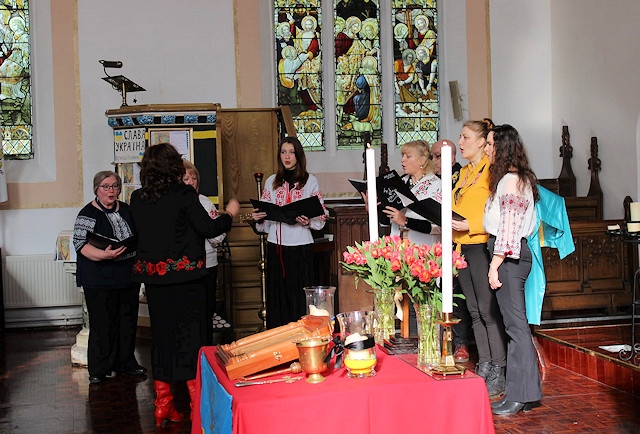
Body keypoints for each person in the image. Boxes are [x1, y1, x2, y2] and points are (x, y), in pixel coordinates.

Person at [130, 143, 239, 426]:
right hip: (187, 280)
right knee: (192, 342)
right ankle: (196, 406)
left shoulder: (137, 198)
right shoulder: (184, 195)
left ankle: (163, 404)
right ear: (172, 167)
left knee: (162, 341)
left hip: (155, 282)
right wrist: (229, 213)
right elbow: (210, 229)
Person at [483, 124, 542, 414]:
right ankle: (525, 393)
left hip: (508, 257)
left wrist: (494, 266)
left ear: (502, 147)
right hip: (511, 256)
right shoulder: (515, 179)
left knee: (516, 328)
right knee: (515, 327)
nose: (486, 149)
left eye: (490, 144)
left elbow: (508, 231)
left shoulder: (510, 180)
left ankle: (519, 396)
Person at [451, 118, 507, 398]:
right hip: (462, 247)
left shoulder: (491, 172)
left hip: (482, 245)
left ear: (483, 143)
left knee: (487, 311)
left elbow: (499, 215)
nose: (460, 143)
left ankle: (499, 366)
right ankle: (484, 361)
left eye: (465, 138)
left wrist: (471, 225)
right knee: (473, 311)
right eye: (460, 137)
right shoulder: (463, 174)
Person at [73, 170, 144, 384]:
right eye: (106, 186)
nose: (111, 191)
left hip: (126, 275)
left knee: (127, 321)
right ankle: (99, 368)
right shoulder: (87, 213)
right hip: (98, 277)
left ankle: (126, 363)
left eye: (114, 186)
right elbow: (80, 244)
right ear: (97, 189)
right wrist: (104, 254)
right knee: (102, 324)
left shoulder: (127, 210)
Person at [251, 136, 327, 329]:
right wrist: (259, 217)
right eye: (283, 152)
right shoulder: (271, 181)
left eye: (292, 152)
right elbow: (265, 216)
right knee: (278, 296)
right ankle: (279, 341)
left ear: (298, 156)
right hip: (276, 245)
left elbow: (321, 215)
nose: (287, 156)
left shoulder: (310, 181)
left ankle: (304, 336)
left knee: (300, 297)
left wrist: (309, 221)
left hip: (301, 245)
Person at [431, 139, 471, 363]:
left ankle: (461, 342)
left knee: (458, 295)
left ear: (451, 157)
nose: (434, 161)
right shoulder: (431, 179)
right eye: (432, 157)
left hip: (460, 240)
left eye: (438, 156)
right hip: (437, 240)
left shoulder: (460, 175)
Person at [182, 160, 229, 344]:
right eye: (186, 178)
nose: (191, 181)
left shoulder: (205, 202)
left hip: (208, 263)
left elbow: (217, 234)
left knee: (207, 309)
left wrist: (207, 231)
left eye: (193, 178)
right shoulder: (177, 204)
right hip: (187, 265)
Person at [382, 140, 442, 246]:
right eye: (402, 155)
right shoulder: (399, 183)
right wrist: (375, 208)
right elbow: (387, 221)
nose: (402, 160)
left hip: (423, 247)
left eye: (408, 156)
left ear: (422, 160)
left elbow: (440, 227)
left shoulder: (436, 185)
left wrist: (406, 221)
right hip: (397, 246)